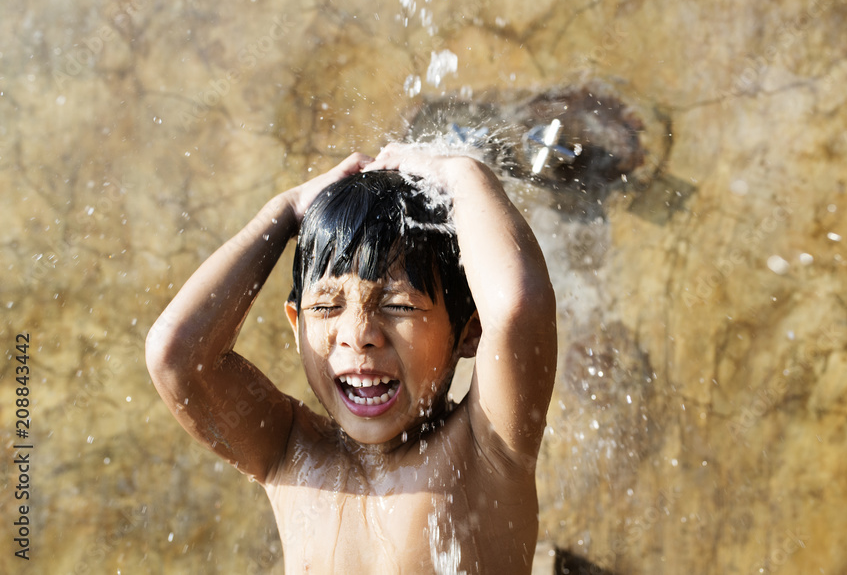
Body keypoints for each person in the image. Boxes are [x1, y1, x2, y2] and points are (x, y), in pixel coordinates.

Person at [145, 143, 558, 573]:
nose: (359, 336)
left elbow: (517, 309)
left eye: (399, 306)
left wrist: (461, 174)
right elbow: (176, 354)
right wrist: (285, 210)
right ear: (297, 325)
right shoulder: (289, 453)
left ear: (469, 331)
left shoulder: (487, 447)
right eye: (325, 308)